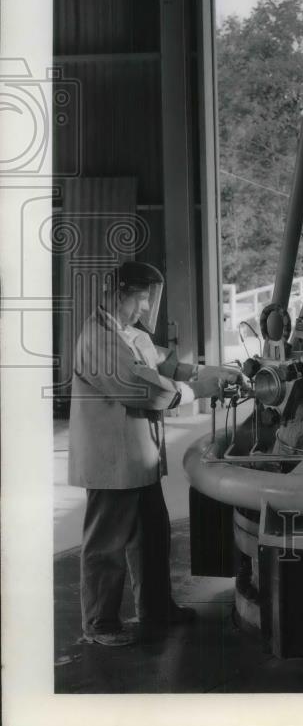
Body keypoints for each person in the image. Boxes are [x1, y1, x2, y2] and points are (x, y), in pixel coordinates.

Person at [68, 261, 240, 646]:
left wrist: (220, 372)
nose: (146, 308)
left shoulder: (131, 336)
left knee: (152, 535)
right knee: (107, 544)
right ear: (118, 294)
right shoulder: (98, 339)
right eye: (140, 299)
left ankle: (156, 608)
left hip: (139, 459)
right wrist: (201, 390)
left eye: (148, 300)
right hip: (110, 461)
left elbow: (170, 366)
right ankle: (100, 623)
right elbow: (145, 388)